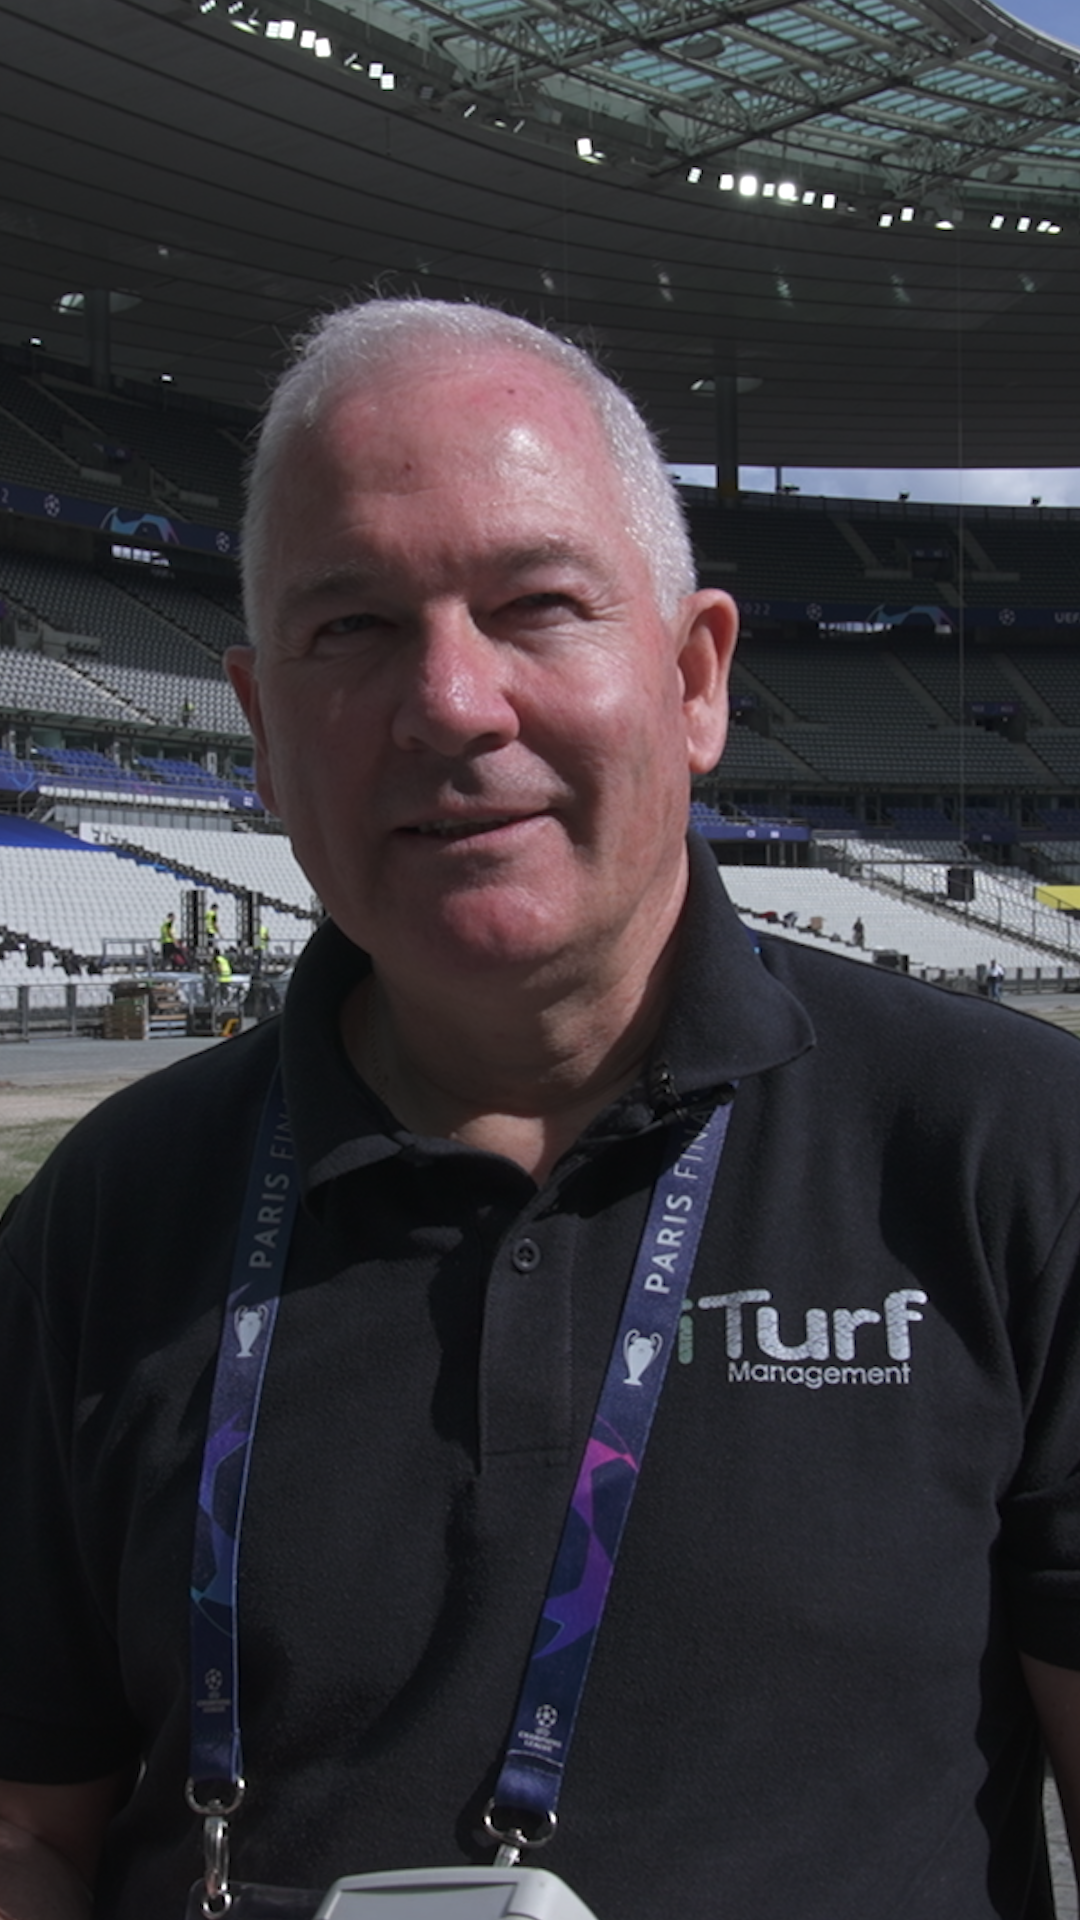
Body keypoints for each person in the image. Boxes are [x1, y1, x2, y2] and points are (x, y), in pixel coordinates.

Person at [0, 299, 1078, 1920]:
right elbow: (33, 1828)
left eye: (537, 605)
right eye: (348, 628)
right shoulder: (106, 1219)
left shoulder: (1011, 1156)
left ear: (698, 677)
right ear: (263, 739)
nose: (450, 702)